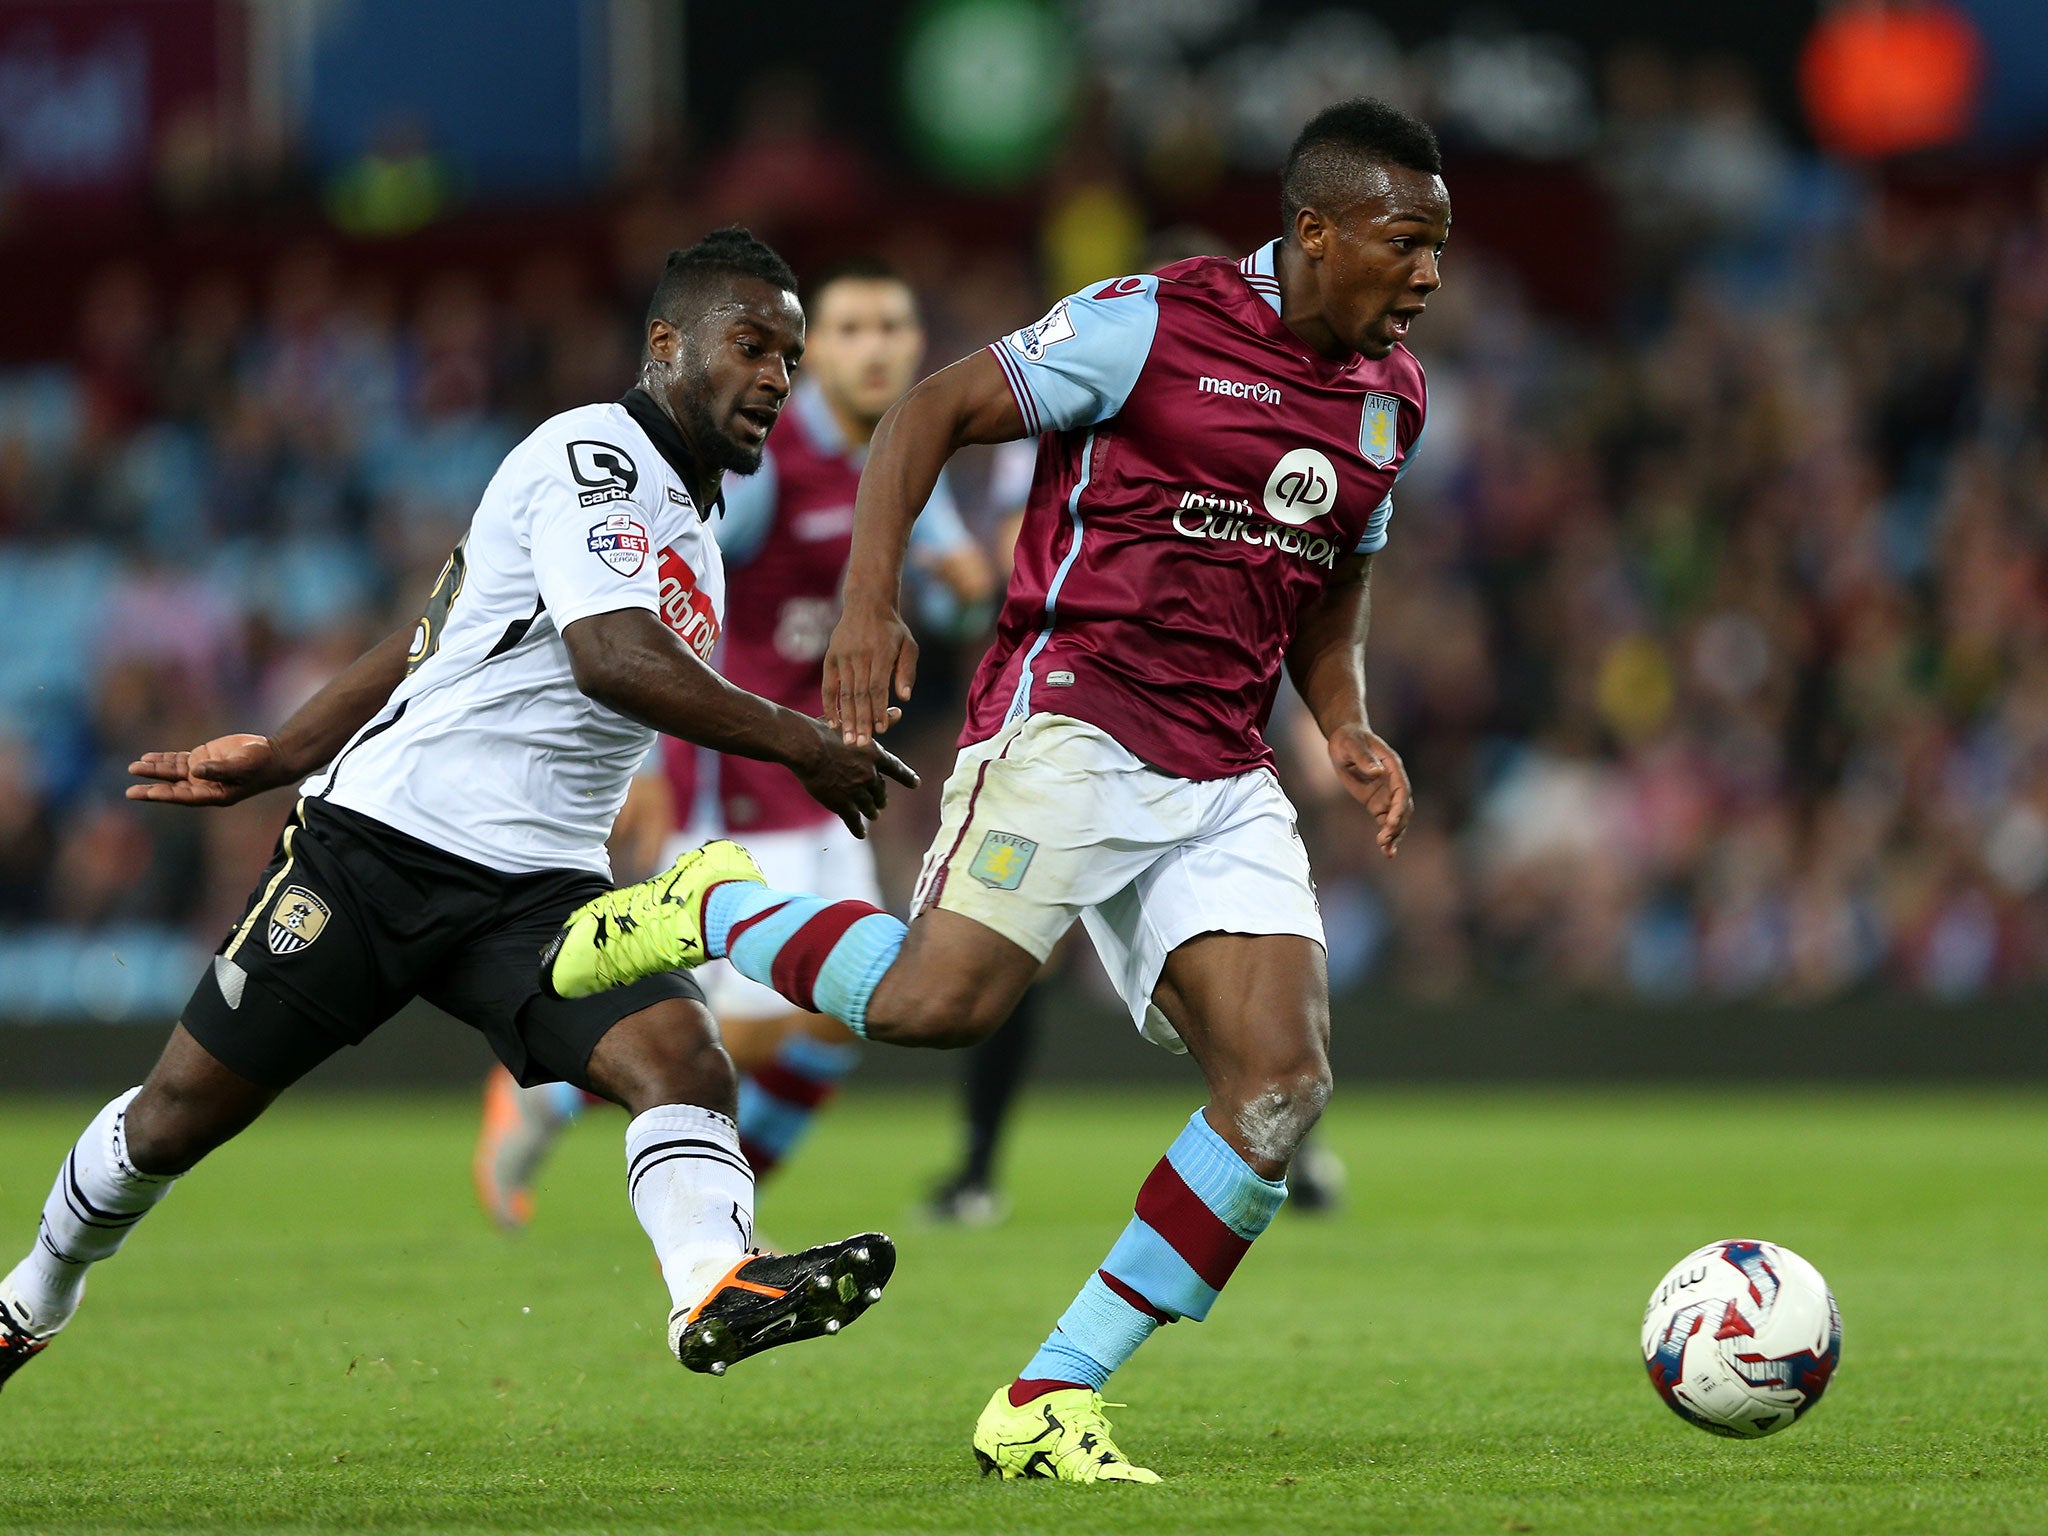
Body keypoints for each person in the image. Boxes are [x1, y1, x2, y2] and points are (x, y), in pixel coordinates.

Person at [546, 98, 1443, 1480]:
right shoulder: (1152, 322)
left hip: (1221, 765)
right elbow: (928, 408)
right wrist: (869, 601)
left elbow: (1332, 588)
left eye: (1439, 245)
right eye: (1406, 241)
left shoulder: (1393, 399)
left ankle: (1049, 1394)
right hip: (1072, 720)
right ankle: (716, 906)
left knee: (1279, 1085)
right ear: (1314, 232)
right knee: (935, 1006)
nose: (1431, 275)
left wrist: (1347, 721)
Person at [0, 228, 917, 1396]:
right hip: (380, 849)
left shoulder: (690, 521)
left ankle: (713, 1284)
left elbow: (433, 630)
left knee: (679, 1057)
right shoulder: (593, 455)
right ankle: (30, 1296)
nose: (776, 378)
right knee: (176, 1120)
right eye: (751, 346)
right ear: (665, 344)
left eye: (788, 357)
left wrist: (285, 742)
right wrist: (802, 744)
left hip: (533, 895)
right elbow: (613, 660)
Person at [473, 258, 994, 1225]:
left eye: (893, 327)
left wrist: (962, 586)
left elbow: (948, 571)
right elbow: (668, 615)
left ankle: (722, 1191)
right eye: (848, 330)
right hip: (743, 770)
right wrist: (654, 764)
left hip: (828, 773)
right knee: (781, 1018)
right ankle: (554, 1086)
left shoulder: (901, 458)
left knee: (847, 1016)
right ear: (814, 355)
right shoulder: (757, 471)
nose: (874, 348)